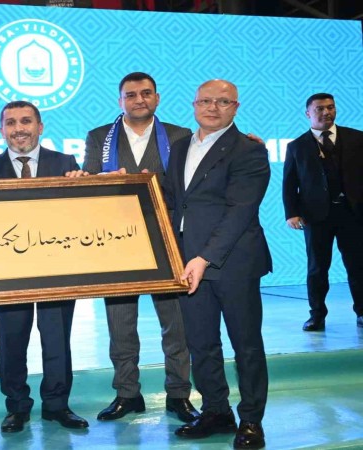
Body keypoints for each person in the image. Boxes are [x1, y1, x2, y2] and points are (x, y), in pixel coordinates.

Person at [83, 72, 198, 423]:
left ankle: (179, 394)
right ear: (120, 101)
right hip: (116, 241)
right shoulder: (99, 137)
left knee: (175, 323)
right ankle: (127, 393)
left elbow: (190, 184)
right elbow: (88, 183)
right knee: (120, 323)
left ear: (157, 98)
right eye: (131, 95)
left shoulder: (180, 135)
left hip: (167, 240)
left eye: (146, 93)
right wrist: (101, 180)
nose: (139, 100)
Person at [164, 79, 271, 449]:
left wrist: (204, 258)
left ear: (236, 108)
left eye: (223, 102)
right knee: (201, 343)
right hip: (188, 264)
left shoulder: (250, 151)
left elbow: (240, 211)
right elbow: (172, 199)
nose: (213, 107)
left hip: (233, 263)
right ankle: (216, 411)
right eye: (206, 101)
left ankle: (252, 420)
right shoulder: (180, 147)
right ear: (194, 105)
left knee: (246, 344)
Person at [0, 100, 90, 433]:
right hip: (9, 271)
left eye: (26, 121)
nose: (19, 129)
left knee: (57, 339)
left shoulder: (66, 163)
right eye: (11, 123)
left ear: (40, 127)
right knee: (12, 340)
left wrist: (81, 185)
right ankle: (16, 407)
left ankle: (57, 405)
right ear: (1, 130)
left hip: (57, 268)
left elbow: (80, 213)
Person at [282, 93, 363, 331]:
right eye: (320, 108)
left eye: (330, 107)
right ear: (308, 113)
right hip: (316, 216)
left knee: (358, 266)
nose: (326, 112)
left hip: (353, 213)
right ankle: (317, 315)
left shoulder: (357, 138)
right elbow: (289, 183)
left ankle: (362, 311)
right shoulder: (296, 146)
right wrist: (291, 213)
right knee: (317, 268)